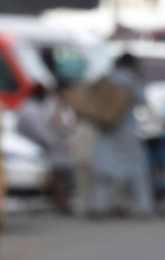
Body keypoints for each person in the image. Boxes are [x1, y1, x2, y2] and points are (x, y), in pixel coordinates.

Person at [89, 53, 154, 219]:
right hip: (126, 131)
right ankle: (142, 206)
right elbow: (142, 100)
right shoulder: (132, 79)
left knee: (104, 170)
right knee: (136, 169)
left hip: (106, 130)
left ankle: (99, 206)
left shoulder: (107, 78)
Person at [15, 83, 75, 213]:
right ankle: (60, 201)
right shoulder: (36, 108)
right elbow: (42, 132)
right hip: (39, 148)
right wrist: (56, 144)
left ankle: (59, 200)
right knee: (58, 172)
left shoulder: (34, 106)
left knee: (61, 170)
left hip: (46, 146)